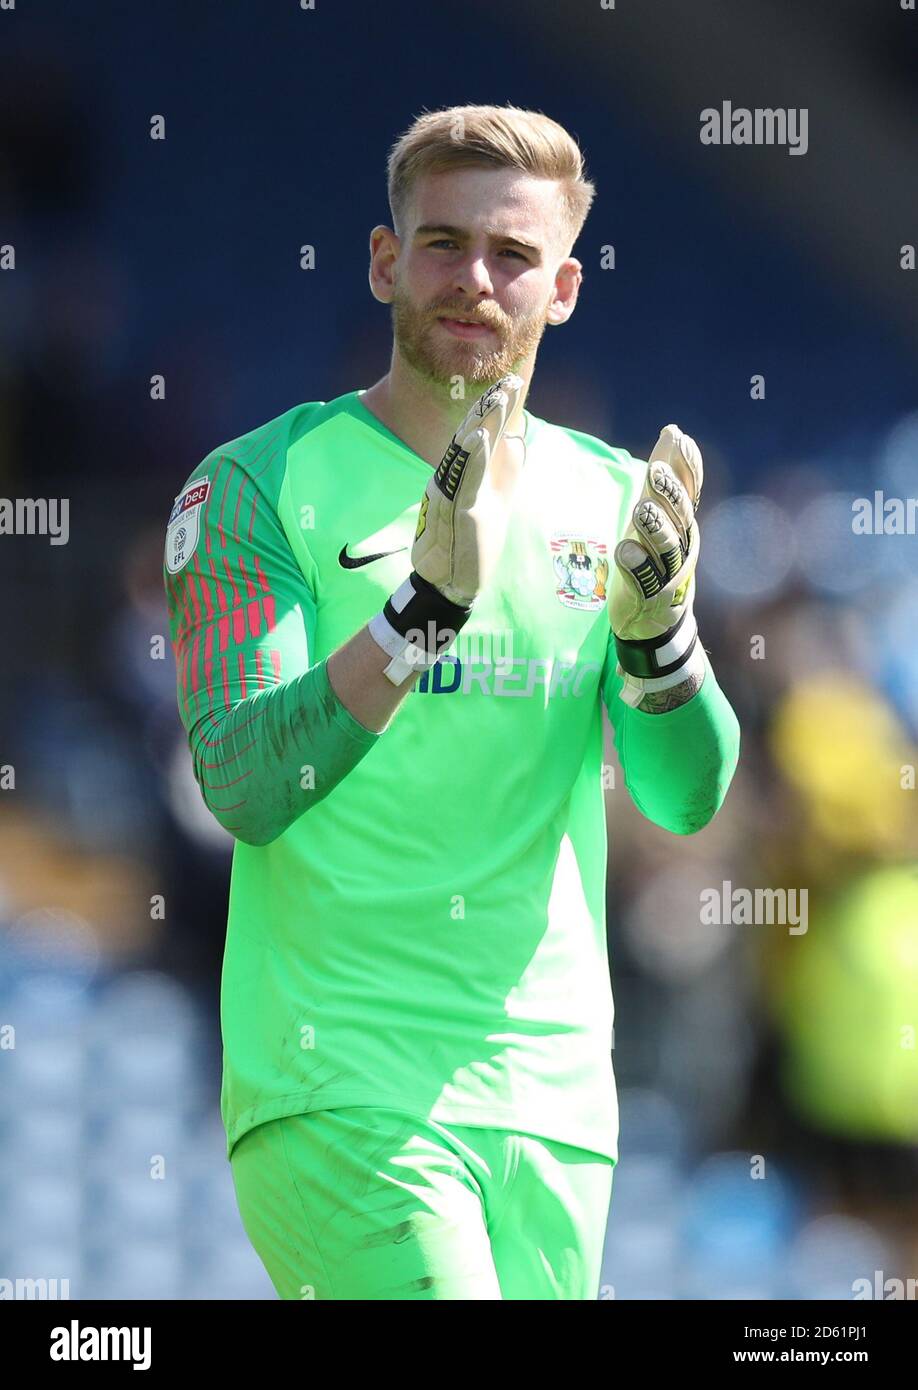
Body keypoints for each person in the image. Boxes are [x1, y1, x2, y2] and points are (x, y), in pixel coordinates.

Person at [163, 103, 740, 1300]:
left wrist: (661, 641)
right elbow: (247, 784)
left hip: (556, 1105)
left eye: (514, 254)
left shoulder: (619, 502)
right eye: (442, 243)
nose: (475, 279)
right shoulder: (259, 485)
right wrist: (416, 616)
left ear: (566, 287)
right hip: (341, 1086)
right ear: (384, 262)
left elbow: (687, 800)